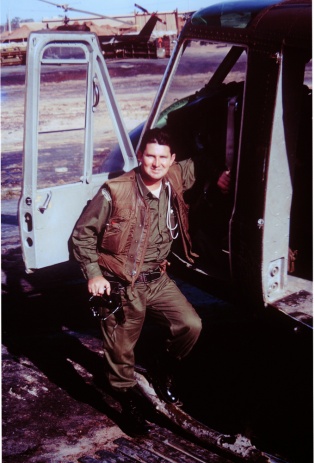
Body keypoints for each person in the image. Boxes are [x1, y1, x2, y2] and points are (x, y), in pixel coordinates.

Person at [70, 128, 227, 435]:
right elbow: (82, 234)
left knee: (190, 325)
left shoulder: (175, 177)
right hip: (121, 282)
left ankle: (162, 367)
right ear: (141, 157)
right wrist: (94, 274)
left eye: (162, 158)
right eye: (150, 156)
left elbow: (203, 161)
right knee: (121, 350)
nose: (156, 164)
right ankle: (125, 400)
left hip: (157, 278)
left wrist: (222, 174)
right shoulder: (115, 191)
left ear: (172, 160)